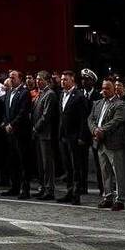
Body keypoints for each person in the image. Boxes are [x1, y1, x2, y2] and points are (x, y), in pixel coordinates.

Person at [89, 78, 125, 211]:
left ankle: (120, 199)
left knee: (118, 172)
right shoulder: (98, 103)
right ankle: (108, 196)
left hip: (114, 143)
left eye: (108, 88)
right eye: (103, 88)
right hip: (100, 143)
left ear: (114, 89)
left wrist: (102, 130)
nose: (104, 90)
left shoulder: (120, 104)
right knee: (105, 172)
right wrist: (94, 129)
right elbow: (91, 119)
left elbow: (117, 120)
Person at [57, 70, 90, 205]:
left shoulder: (79, 96)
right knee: (68, 167)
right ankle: (69, 191)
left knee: (76, 167)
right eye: (62, 79)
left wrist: (82, 136)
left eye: (65, 79)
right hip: (63, 136)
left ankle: (77, 194)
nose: (63, 81)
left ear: (72, 80)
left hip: (75, 137)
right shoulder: (61, 95)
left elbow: (84, 119)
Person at [1, 69, 33, 199]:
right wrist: (5, 122)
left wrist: (12, 124)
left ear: (20, 79)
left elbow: (23, 112)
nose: (11, 79)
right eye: (10, 77)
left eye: (13, 77)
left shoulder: (24, 93)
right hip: (9, 133)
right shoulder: (8, 92)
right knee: (12, 160)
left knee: (23, 162)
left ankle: (25, 189)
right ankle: (14, 187)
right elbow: (5, 110)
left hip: (20, 133)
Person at [30, 71, 59, 201]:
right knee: (41, 164)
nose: (37, 81)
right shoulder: (40, 93)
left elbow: (46, 116)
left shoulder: (50, 94)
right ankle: (42, 187)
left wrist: (36, 127)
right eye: (37, 79)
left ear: (47, 80)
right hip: (38, 134)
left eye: (40, 79)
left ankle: (49, 189)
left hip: (45, 134)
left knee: (48, 164)